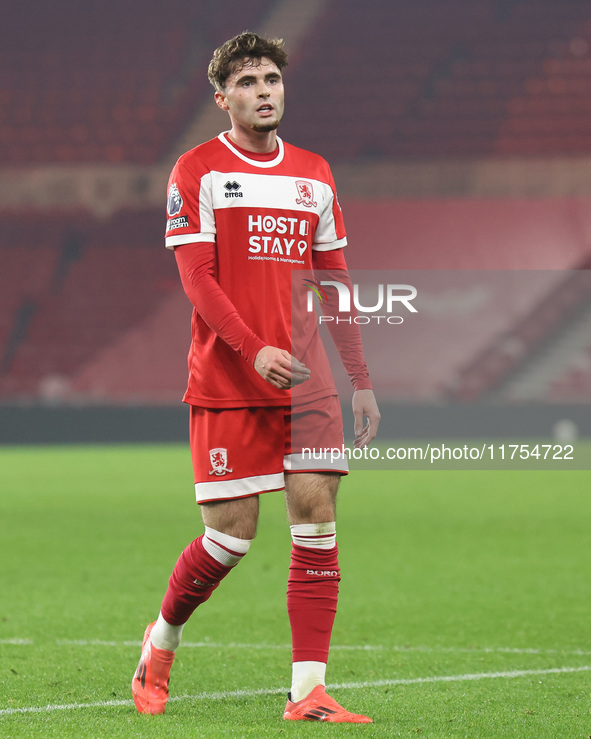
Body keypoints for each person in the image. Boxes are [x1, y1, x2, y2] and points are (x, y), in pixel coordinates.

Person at [131, 31, 380, 724]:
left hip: (308, 382)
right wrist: (250, 348)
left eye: (271, 78)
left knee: (316, 522)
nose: (264, 90)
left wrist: (357, 374)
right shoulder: (198, 169)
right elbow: (197, 278)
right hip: (227, 378)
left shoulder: (314, 172)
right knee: (229, 538)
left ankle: (307, 691)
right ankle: (161, 638)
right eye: (247, 82)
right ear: (223, 98)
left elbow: (335, 281)